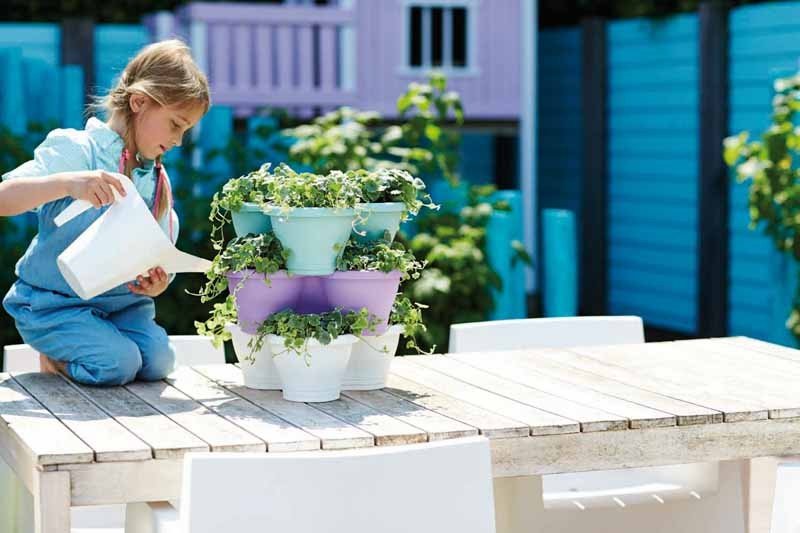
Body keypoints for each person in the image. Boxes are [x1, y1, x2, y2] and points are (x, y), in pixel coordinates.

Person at [0, 39, 210, 386]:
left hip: (123, 308)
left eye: (185, 130)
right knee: (117, 364)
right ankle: (56, 359)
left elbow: (157, 252)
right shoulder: (78, 151)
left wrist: (156, 284)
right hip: (55, 306)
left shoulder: (156, 179)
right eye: (175, 124)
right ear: (139, 102)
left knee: (158, 363)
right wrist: (68, 183)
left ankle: (99, 345)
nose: (178, 140)